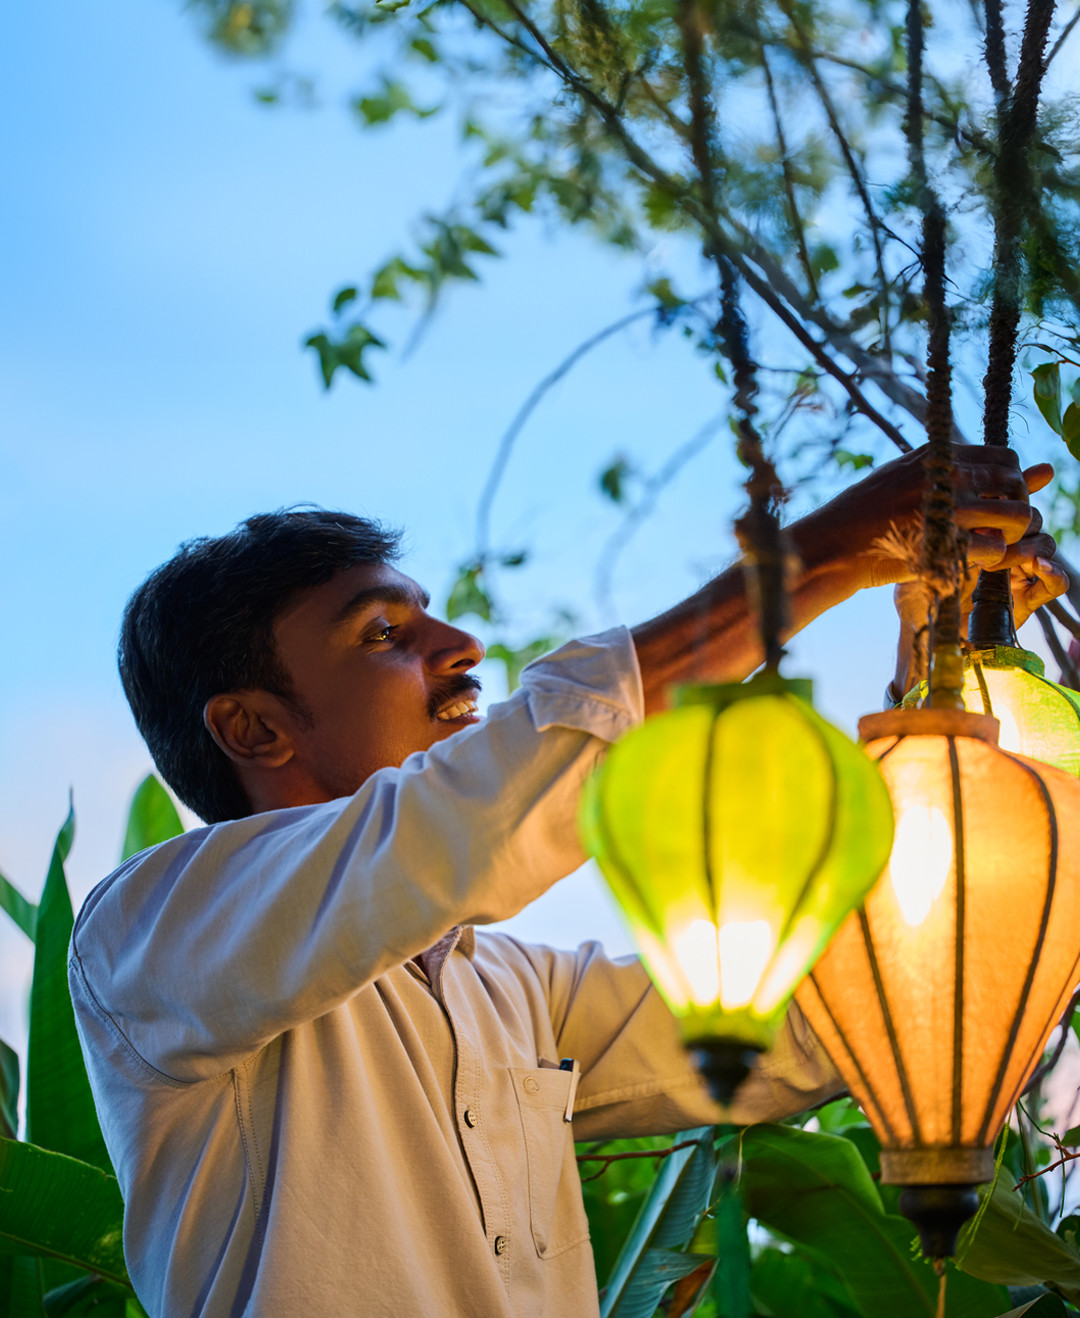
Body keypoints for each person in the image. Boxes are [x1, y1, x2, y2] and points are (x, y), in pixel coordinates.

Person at [70, 445, 1064, 1318]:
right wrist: (817, 562)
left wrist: (935, 698)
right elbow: (472, 813)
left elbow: (825, 1019)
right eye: (382, 634)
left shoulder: (518, 997)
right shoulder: (151, 933)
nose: (458, 649)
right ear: (255, 728)